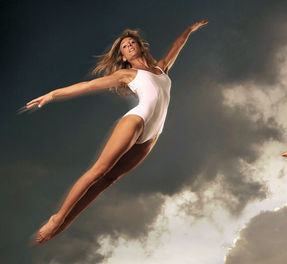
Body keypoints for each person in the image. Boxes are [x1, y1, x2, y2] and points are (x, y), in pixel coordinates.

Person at [22, 20, 208, 244]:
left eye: (131, 42)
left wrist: (189, 29)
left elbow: (177, 45)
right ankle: (57, 218)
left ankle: (62, 226)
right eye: (124, 47)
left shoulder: (161, 68)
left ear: (140, 46)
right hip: (136, 120)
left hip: (153, 133)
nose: (129, 46)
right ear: (123, 57)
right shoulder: (127, 74)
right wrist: (53, 94)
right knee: (99, 170)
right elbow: (89, 86)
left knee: (109, 180)